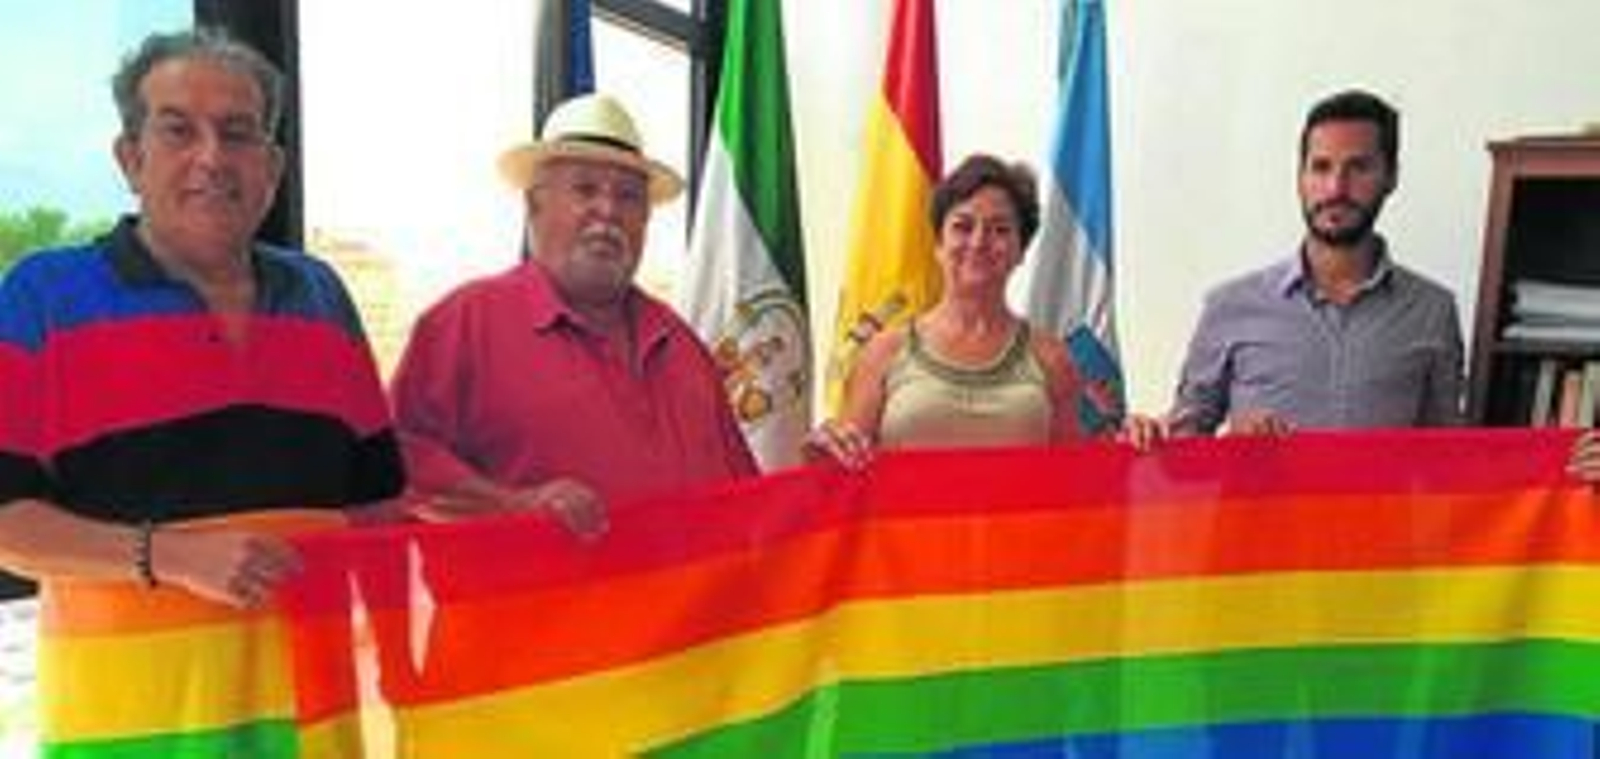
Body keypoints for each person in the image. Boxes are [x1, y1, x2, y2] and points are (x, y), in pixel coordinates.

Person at [0, 28, 403, 749]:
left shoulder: (321, 295)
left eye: (239, 133)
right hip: (134, 736)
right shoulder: (42, 296)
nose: (212, 157)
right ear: (131, 157)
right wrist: (173, 556)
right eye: (179, 129)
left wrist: (408, 667)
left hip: (320, 728)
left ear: (273, 166)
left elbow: (377, 504)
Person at [389, 93, 757, 540]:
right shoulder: (464, 325)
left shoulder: (683, 346)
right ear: (534, 207)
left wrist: (832, 476)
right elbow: (392, 468)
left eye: (628, 197)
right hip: (526, 607)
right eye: (585, 190)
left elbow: (749, 509)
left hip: (684, 608)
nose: (608, 211)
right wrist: (512, 505)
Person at [806, 154, 1160, 469]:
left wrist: (1129, 444)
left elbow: (1075, 480)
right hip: (905, 545)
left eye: (1000, 229)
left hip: (1020, 545)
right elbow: (841, 477)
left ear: (1021, 250)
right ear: (938, 245)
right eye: (962, 226)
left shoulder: (1051, 357)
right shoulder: (884, 353)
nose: (978, 242)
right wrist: (825, 448)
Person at [1167, 89, 1465, 437]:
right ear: (1300, 176)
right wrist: (1232, 444)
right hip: (1259, 492)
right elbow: (1180, 456)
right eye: (1320, 167)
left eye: (1359, 168)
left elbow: (1444, 459)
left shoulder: (1433, 311)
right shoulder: (1229, 306)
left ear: (1391, 176)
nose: (1336, 188)